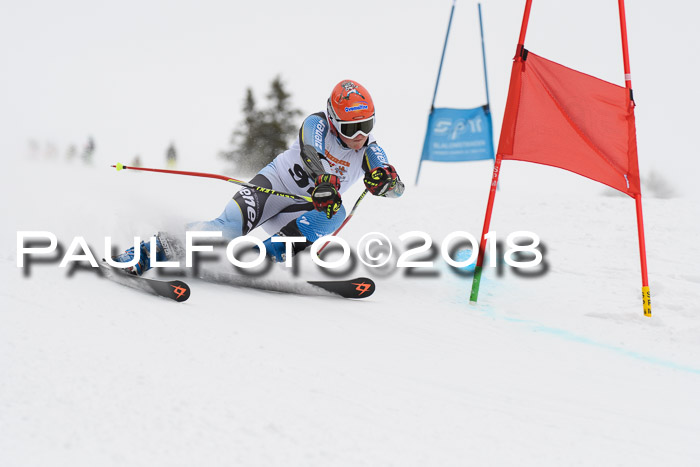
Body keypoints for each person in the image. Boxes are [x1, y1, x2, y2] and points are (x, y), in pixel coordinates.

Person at [113, 79, 405, 275]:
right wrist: (323, 181)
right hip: (274, 187)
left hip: (305, 208)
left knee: (335, 211)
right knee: (227, 228)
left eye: (367, 124)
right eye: (351, 128)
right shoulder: (317, 124)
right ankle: (150, 251)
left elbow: (396, 188)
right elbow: (310, 153)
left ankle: (259, 256)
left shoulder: (370, 150)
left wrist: (388, 183)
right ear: (332, 120)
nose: (360, 135)